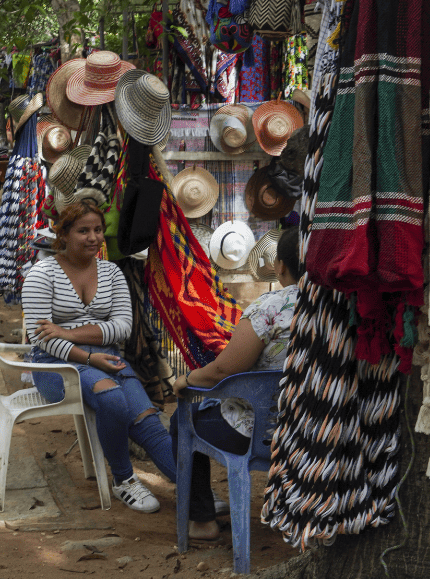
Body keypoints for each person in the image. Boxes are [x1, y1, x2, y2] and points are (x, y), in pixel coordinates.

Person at [22, 201, 177, 513]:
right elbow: (42, 337)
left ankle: (194, 492)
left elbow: (121, 328)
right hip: (56, 367)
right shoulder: (41, 274)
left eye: (97, 230)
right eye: (83, 231)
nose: (94, 237)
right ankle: (124, 480)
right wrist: (88, 356)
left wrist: (67, 332)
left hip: (107, 357)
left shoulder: (111, 272)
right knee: (112, 398)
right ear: (62, 234)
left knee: (149, 423)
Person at [170, 226, 301, 541]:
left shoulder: (272, 307)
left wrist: (185, 380)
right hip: (319, 428)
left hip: (262, 432)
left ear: (280, 266)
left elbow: (222, 370)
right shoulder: (341, 307)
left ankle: (202, 521)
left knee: (181, 419)